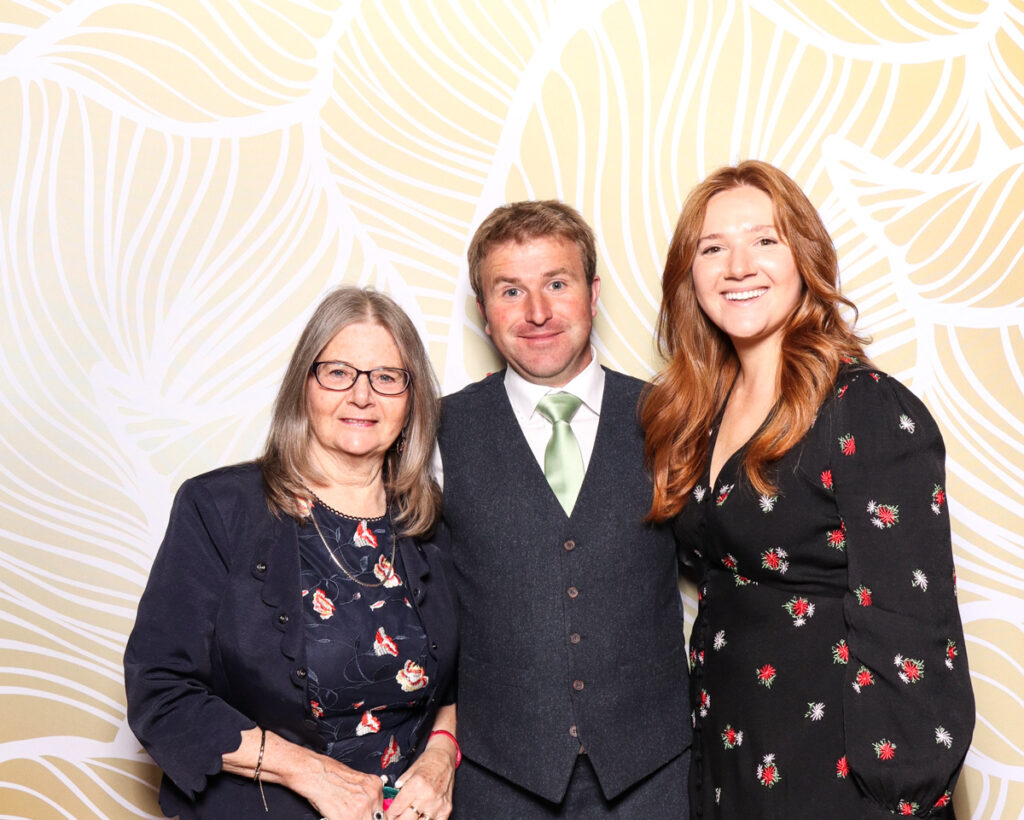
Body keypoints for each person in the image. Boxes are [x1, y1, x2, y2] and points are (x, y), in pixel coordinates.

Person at [641, 160, 974, 818]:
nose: (738, 266)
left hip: (839, 769)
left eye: (765, 240)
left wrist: (896, 791)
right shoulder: (697, 412)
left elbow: (912, 623)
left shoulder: (865, 410)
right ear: (691, 274)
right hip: (729, 749)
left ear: (805, 257)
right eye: (713, 248)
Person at [125, 288, 459, 820]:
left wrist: (441, 757)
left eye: (387, 377)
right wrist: (309, 772)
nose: (362, 396)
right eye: (338, 372)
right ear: (303, 383)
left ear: (411, 398)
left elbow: (468, 680)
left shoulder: (430, 520)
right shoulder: (219, 508)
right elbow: (161, 693)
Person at [437, 200, 691, 817]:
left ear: (593, 293)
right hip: (498, 783)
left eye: (557, 283)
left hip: (655, 778)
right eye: (510, 290)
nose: (538, 312)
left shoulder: (673, 419)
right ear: (484, 313)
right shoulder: (436, 431)